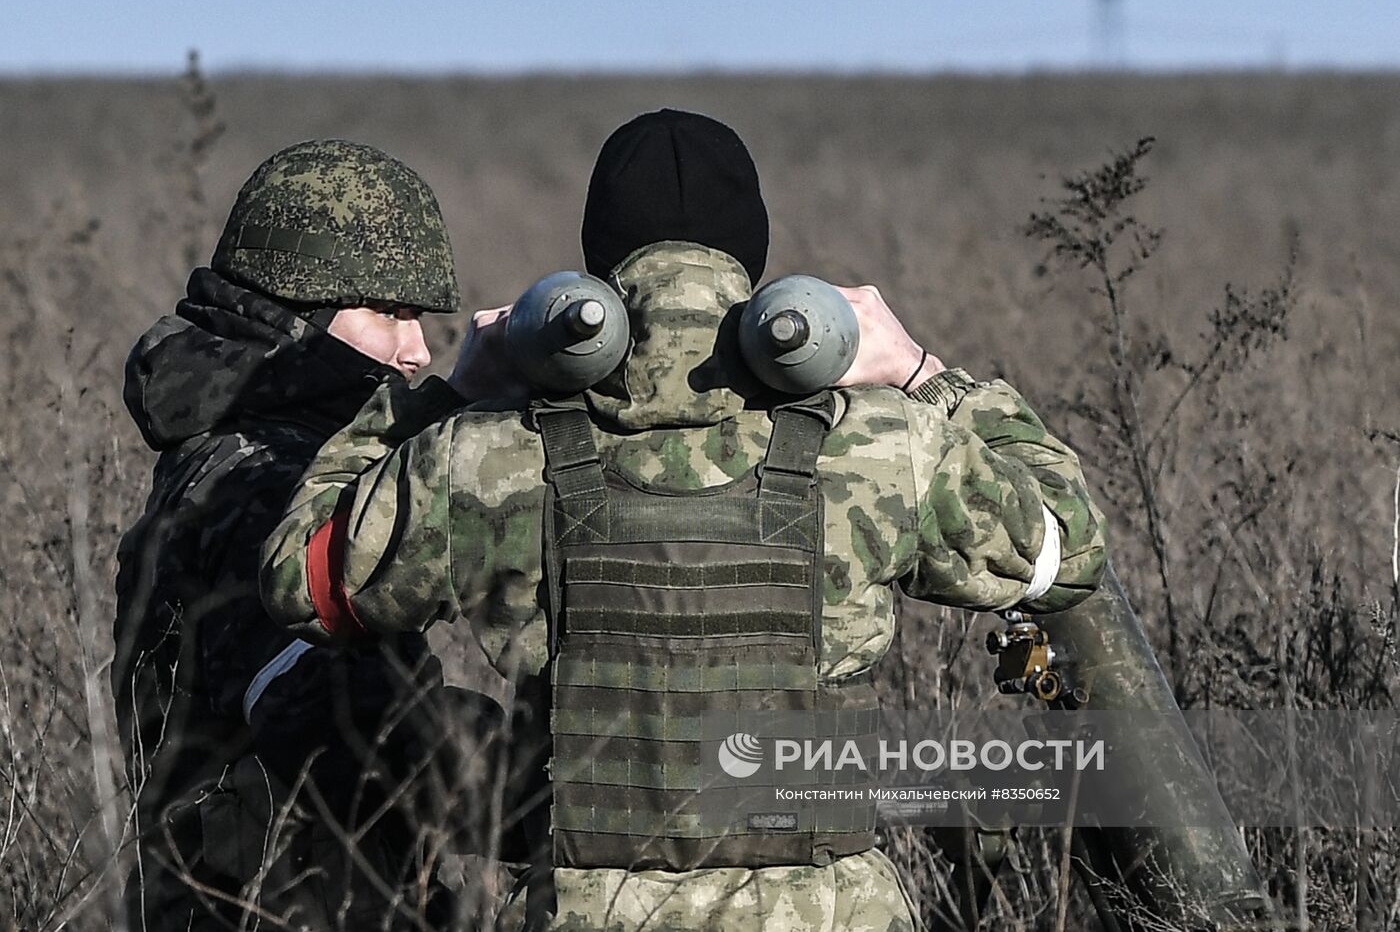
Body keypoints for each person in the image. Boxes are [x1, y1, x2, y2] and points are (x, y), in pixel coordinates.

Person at [260, 110, 1109, 931]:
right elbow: (1067, 549)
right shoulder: (887, 450)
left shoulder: (484, 458)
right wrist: (923, 372)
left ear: (596, 273)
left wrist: (444, 397)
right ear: (755, 267)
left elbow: (303, 580)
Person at [114, 138, 467, 930]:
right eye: (391, 312)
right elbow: (353, 735)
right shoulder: (265, 480)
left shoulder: (233, 453)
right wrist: (599, 769)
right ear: (297, 316)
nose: (417, 351)